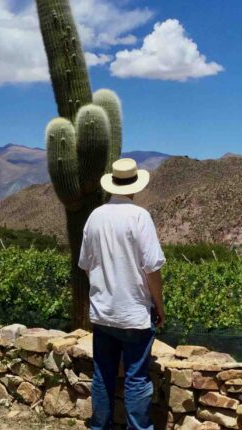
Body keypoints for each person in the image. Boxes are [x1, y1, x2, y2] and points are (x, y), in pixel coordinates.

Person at [79, 158, 166, 430]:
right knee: (136, 378)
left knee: (102, 375)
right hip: (134, 314)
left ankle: (99, 426)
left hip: (103, 312)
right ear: (134, 186)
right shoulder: (139, 217)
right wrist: (159, 306)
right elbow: (151, 268)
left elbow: (86, 265)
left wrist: (103, 288)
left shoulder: (95, 216)